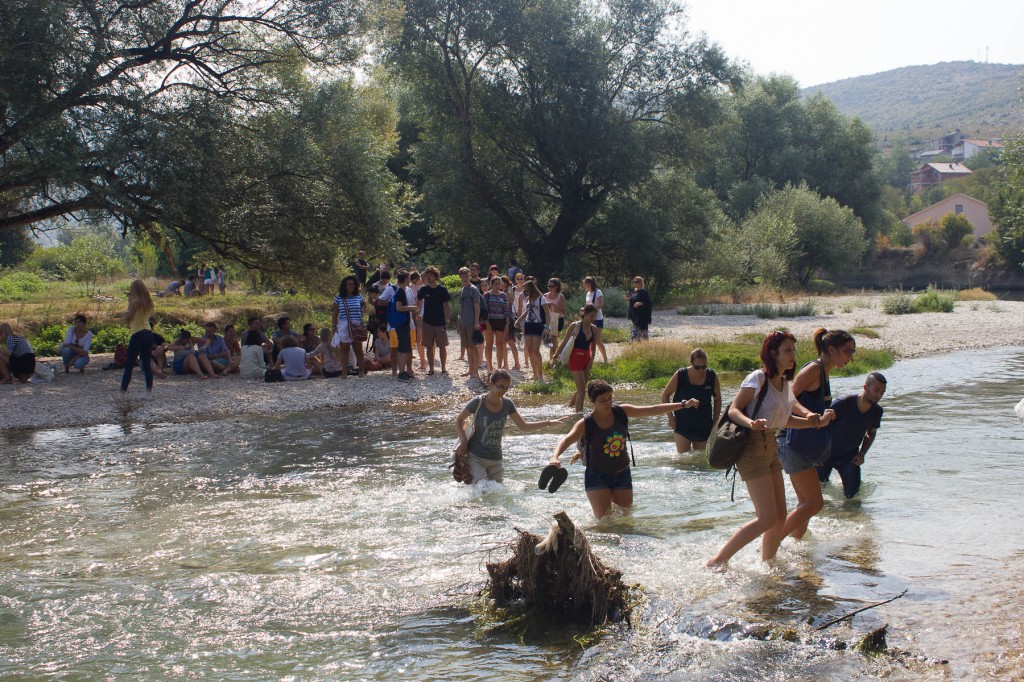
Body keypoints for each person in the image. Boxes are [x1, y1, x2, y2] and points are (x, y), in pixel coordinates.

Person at [706, 331, 831, 568]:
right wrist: (750, 423)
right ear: (773, 353)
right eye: (787, 350)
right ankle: (717, 560)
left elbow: (785, 421)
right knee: (766, 518)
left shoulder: (784, 384)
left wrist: (817, 422)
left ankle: (769, 563)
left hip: (771, 447)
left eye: (794, 350)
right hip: (751, 447)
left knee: (780, 516)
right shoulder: (758, 378)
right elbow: (733, 410)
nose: (793, 355)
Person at [547, 380, 694, 519]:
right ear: (592, 402)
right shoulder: (585, 423)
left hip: (622, 472)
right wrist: (555, 457)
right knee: (604, 521)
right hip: (597, 475)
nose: (608, 403)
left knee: (625, 518)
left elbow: (652, 409)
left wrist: (682, 404)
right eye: (602, 400)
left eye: (609, 398)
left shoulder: (621, 412)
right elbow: (566, 440)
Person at [775, 328, 854, 546]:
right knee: (814, 503)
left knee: (805, 504)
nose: (851, 357)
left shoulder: (824, 372)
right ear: (831, 349)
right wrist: (811, 415)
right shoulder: (814, 369)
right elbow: (788, 396)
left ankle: (796, 547)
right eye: (847, 351)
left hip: (799, 444)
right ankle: (771, 542)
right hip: (790, 442)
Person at [454, 369, 565, 484]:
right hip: (475, 456)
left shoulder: (507, 404)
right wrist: (463, 442)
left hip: (495, 458)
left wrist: (549, 422)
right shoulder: (478, 402)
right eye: (500, 387)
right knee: (482, 487)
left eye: (507, 388)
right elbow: (458, 420)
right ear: (490, 384)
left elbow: (524, 426)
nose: (503, 391)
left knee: (495, 493)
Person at [817, 372, 887, 499]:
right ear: (865, 387)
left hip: (849, 457)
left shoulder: (877, 411)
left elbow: (871, 433)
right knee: (818, 493)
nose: (879, 395)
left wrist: (862, 453)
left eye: (882, 392)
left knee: (853, 498)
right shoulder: (844, 403)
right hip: (825, 455)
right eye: (876, 390)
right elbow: (821, 425)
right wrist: (816, 453)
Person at [661, 348, 722, 452]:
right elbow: (665, 396)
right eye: (697, 367)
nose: (701, 370)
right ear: (691, 363)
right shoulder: (681, 375)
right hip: (682, 424)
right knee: (683, 459)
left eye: (704, 367)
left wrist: (715, 422)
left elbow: (718, 400)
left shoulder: (712, 376)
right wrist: (670, 418)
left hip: (704, 424)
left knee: (700, 459)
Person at [553, 305, 602, 412]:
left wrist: (591, 362)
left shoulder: (594, 329)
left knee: (581, 388)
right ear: (584, 314)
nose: (593, 318)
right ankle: (578, 414)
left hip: (586, 359)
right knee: (582, 391)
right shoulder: (574, 326)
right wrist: (555, 356)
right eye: (591, 315)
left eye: (594, 316)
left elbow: (593, 348)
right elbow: (564, 342)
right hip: (575, 359)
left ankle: (570, 407)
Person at [120, 279, 155, 392]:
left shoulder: (135, 302)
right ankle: (149, 389)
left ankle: (123, 390)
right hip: (148, 332)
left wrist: (129, 303)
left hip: (137, 332)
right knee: (146, 363)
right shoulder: (149, 301)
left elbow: (128, 317)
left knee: (129, 364)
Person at [416, 266, 451, 375]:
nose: (428, 277)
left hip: (440, 322)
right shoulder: (423, 289)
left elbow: (446, 305)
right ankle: (431, 369)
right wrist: (418, 312)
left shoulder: (442, 290)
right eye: (427, 275)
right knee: (429, 346)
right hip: (427, 322)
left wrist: (447, 318)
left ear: (436, 276)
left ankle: (443, 368)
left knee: (442, 346)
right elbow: (418, 300)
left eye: (431, 275)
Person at [331, 275, 367, 379]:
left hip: (356, 324)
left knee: (358, 348)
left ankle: (361, 370)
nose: (350, 286)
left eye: (352, 284)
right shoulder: (338, 298)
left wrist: (362, 310)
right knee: (344, 348)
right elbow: (335, 313)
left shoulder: (359, 296)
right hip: (343, 324)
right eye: (348, 284)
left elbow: (364, 304)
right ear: (344, 286)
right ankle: (345, 372)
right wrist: (334, 327)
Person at [390, 270, 419, 381]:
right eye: (408, 279)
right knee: (404, 348)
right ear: (405, 280)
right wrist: (411, 308)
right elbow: (398, 307)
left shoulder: (399, 291)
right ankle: (401, 373)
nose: (409, 281)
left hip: (402, 323)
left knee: (404, 348)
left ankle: (403, 371)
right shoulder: (401, 292)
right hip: (402, 324)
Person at [516, 279, 547, 382]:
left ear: (531, 289)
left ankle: (540, 374)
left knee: (535, 350)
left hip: (538, 325)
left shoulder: (542, 299)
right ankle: (535, 374)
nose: (525, 292)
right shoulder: (529, 298)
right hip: (528, 324)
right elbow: (527, 312)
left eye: (526, 289)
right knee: (529, 350)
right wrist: (518, 320)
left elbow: (547, 313)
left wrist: (547, 327)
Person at [457, 266, 483, 381]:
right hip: (463, 322)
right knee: (467, 346)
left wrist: (477, 322)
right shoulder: (462, 290)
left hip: (472, 322)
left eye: (466, 276)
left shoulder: (473, 289)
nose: (464, 278)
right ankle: (470, 369)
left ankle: (475, 371)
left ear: (469, 276)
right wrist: (459, 323)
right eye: (462, 276)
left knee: (473, 346)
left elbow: (477, 306)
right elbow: (461, 308)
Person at [483, 276, 510, 372]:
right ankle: (489, 367)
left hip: (501, 321)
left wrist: (507, 323)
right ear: (491, 284)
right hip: (489, 322)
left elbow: (506, 310)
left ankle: (499, 367)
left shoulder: (504, 295)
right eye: (496, 283)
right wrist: (487, 323)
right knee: (489, 344)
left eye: (499, 283)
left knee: (500, 345)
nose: (498, 285)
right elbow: (484, 310)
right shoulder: (487, 295)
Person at [583, 276, 609, 363]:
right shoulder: (588, 293)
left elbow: (601, 304)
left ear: (589, 283)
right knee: (589, 340)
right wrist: (585, 309)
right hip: (589, 319)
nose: (583, 284)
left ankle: (605, 358)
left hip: (597, 319)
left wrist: (591, 308)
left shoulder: (598, 292)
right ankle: (590, 359)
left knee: (597, 340)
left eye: (585, 283)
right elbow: (588, 304)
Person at [543, 278, 567, 362]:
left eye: (552, 286)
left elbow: (564, 311)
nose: (549, 287)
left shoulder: (560, 296)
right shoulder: (545, 295)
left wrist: (554, 305)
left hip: (558, 319)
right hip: (549, 319)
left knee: (553, 338)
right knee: (551, 339)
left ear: (557, 286)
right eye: (548, 286)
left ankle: (553, 359)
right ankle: (555, 358)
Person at [627, 276, 652, 342]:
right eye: (634, 282)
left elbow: (648, 304)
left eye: (636, 282)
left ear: (641, 283)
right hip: (635, 317)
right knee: (636, 335)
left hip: (642, 318)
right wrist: (629, 299)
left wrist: (640, 303)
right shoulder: (635, 291)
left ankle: (643, 349)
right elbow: (634, 300)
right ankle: (636, 349)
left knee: (641, 336)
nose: (635, 283)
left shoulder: (644, 292)